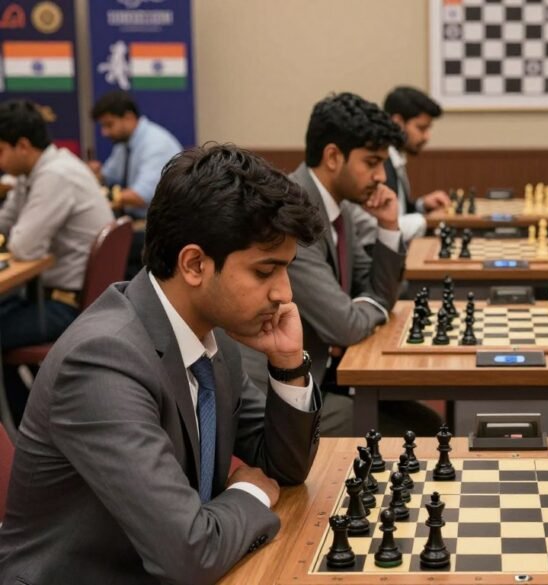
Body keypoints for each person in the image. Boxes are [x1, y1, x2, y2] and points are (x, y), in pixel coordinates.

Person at [0, 144, 325, 584]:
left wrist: (287, 364)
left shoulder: (212, 338)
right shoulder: (102, 361)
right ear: (194, 264)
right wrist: (249, 493)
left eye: (286, 270)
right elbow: (188, 553)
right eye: (265, 272)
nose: (284, 293)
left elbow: (283, 466)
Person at [240, 92, 439, 436]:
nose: (381, 176)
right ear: (333, 156)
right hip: (274, 393)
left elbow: (379, 287)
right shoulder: (289, 215)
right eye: (372, 162)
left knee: (425, 423)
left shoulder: (339, 207)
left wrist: (389, 225)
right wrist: (372, 306)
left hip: (323, 373)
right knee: (414, 431)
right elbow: (345, 325)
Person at [0, 99, 114, 423]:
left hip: (65, 305)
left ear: (23, 146)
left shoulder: (56, 176)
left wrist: (12, 235)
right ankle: (30, 418)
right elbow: (5, 223)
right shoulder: (35, 173)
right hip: (48, 297)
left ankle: (23, 426)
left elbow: (23, 246)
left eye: (1, 151)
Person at [89, 90, 184, 277]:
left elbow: (139, 197)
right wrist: (94, 173)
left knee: (108, 252)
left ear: (129, 117)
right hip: (139, 224)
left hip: (162, 230)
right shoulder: (125, 145)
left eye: (109, 125)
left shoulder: (155, 144)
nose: (105, 132)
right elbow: (109, 176)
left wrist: (99, 197)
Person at [381, 86, 451, 243]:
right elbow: (384, 226)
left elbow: (399, 211)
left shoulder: (396, 157)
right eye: (421, 128)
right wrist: (425, 221)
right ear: (398, 122)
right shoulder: (380, 165)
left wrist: (421, 205)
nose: (427, 137)